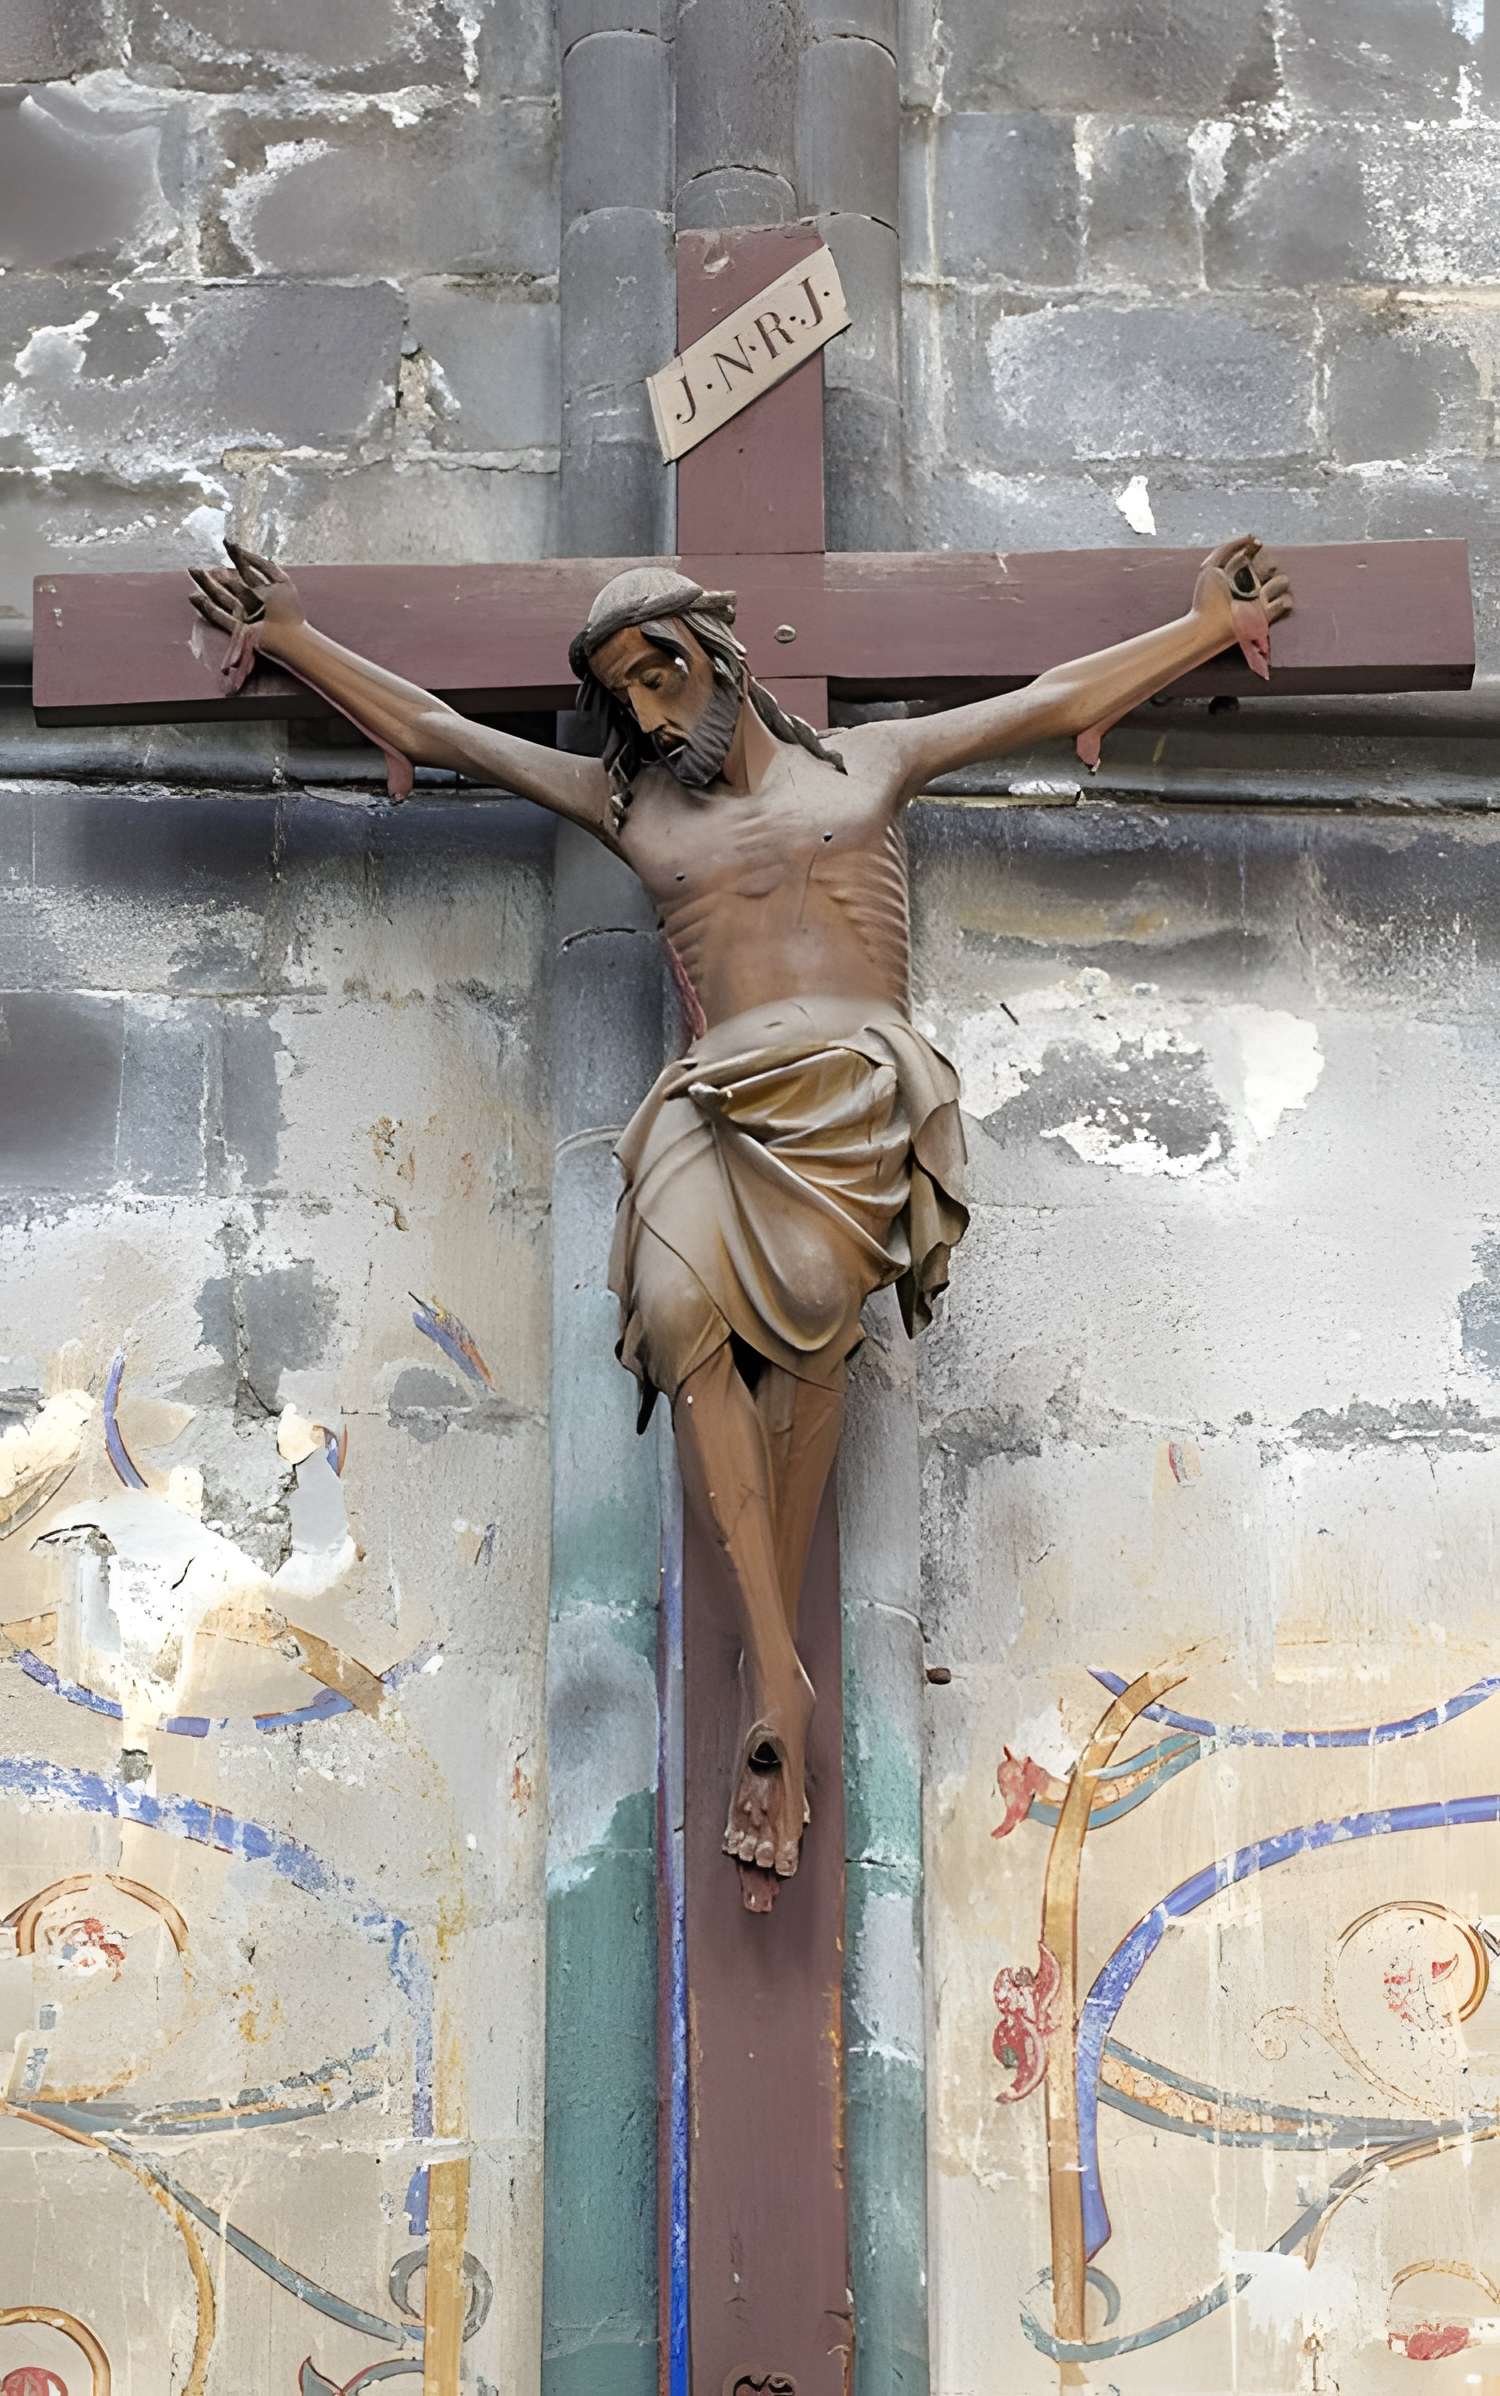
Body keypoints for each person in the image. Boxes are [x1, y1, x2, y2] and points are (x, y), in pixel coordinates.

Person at [189, 536, 1290, 1910]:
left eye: (662, 672)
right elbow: (436, 730)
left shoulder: (873, 764)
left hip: (854, 1096)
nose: (650, 713)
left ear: (719, 649)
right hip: (714, 1103)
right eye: (623, 696)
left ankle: (783, 1682)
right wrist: (292, 637)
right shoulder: (632, 809)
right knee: (666, 1310)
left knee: (819, 1325)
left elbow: (1061, 694)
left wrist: (1197, 629)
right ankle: (779, 1671)